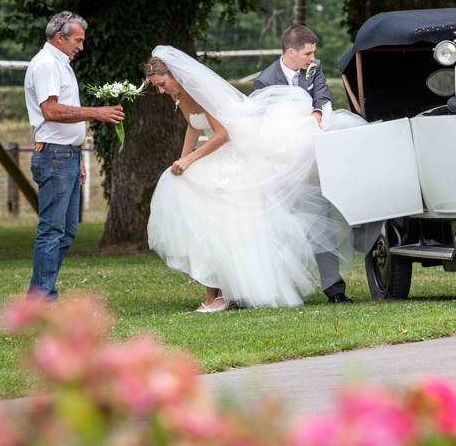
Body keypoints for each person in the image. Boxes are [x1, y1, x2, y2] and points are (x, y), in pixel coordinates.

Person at [145, 46, 358, 311]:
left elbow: (223, 134)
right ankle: (218, 294)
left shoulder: (199, 93)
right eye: (156, 86)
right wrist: (182, 160)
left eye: (162, 84)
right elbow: (193, 126)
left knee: (225, 226)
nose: (160, 91)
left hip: (234, 158)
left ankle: (225, 294)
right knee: (194, 207)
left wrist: (191, 160)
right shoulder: (179, 95)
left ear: (174, 75)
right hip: (216, 156)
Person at [24, 11, 124, 300]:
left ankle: (39, 293)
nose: (81, 46)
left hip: (65, 155)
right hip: (53, 156)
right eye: (77, 40)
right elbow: (51, 111)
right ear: (60, 37)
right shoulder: (46, 65)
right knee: (52, 230)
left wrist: (75, 154)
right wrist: (97, 112)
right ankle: (42, 297)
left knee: (66, 231)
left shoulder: (61, 64)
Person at [252, 25, 353, 303]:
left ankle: (335, 289)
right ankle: (283, 288)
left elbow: (323, 98)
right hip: (281, 167)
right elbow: (266, 126)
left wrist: (317, 116)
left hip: (312, 163)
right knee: (285, 228)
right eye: (308, 53)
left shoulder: (314, 69)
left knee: (323, 222)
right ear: (290, 52)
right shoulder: (264, 81)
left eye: (314, 53)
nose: (312, 58)